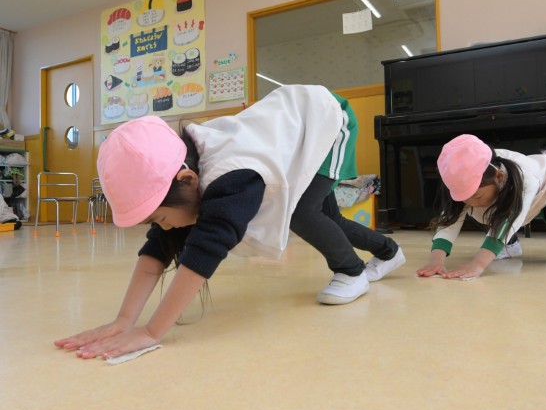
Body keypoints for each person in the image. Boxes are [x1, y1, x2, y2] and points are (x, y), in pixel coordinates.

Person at [54, 85, 406, 360]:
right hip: (294, 127)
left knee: (303, 214)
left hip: (325, 118)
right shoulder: (182, 179)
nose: (163, 227)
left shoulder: (232, 179)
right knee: (325, 218)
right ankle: (388, 252)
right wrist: (124, 321)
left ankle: (352, 272)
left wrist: (150, 332)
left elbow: (205, 251)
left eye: (159, 218)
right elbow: (157, 248)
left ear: (188, 180)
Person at [416, 134, 546, 281]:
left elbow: (511, 218)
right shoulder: (465, 179)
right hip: (504, 202)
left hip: (543, 194)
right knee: (475, 206)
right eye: (465, 198)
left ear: (499, 176)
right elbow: (449, 220)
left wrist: (478, 264)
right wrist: (436, 261)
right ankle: (510, 245)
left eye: (476, 196)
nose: (471, 203)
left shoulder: (524, 176)